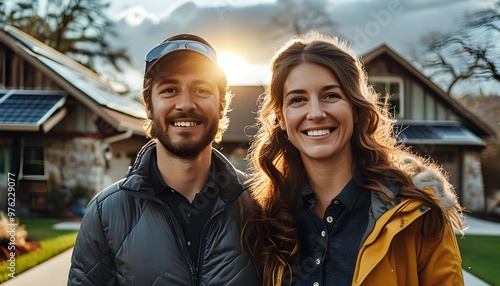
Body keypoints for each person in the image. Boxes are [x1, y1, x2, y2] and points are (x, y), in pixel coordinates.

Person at [242, 32, 465, 286]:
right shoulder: (263, 217)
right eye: (298, 100)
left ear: (356, 109)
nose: (315, 113)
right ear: (281, 117)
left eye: (330, 95)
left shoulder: (417, 210)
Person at [68, 34, 260, 285]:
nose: (185, 104)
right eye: (169, 90)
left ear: (222, 105)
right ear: (149, 105)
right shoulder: (105, 215)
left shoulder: (261, 204)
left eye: (201, 89)